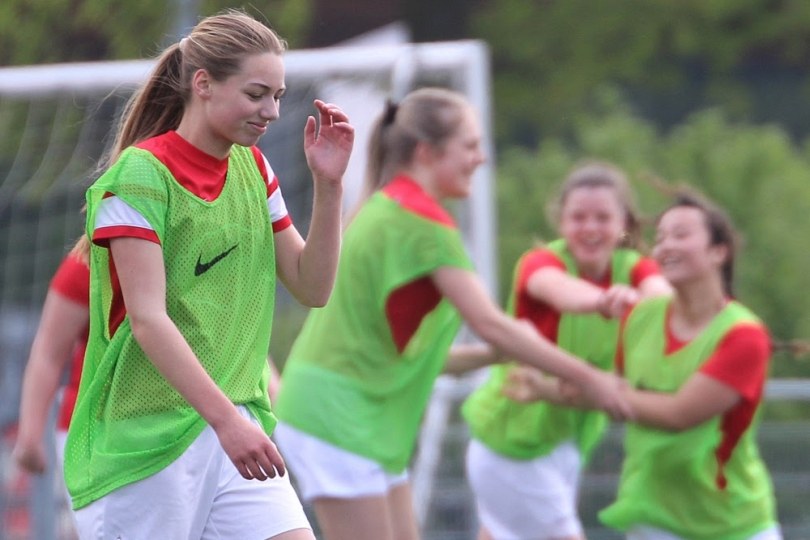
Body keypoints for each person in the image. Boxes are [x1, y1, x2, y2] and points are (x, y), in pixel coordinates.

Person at [271, 88, 632, 540]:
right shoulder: (422, 222)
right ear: (427, 152)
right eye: (471, 146)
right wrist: (592, 379)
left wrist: (493, 355)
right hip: (337, 417)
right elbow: (490, 323)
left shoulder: (391, 205)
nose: (481, 158)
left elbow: (411, 357)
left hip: (355, 418)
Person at [62, 9, 354, 540]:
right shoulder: (140, 176)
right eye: (256, 94)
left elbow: (312, 287)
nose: (271, 111)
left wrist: (329, 186)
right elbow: (148, 320)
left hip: (233, 425)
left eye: (278, 96)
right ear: (203, 84)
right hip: (148, 441)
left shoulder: (255, 169)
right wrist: (226, 423)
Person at [507, 191, 783, 540]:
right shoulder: (640, 318)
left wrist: (601, 386)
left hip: (734, 524)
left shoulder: (744, 335)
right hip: (653, 517)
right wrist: (544, 389)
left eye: (681, 235)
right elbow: (611, 391)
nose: (666, 246)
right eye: (661, 238)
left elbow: (677, 414)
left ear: (719, 251)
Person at [460, 161, 671, 540]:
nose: (590, 228)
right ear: (560, 222)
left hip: (565, 443)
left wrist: (647, 302)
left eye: (602, 217)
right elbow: (560, 291)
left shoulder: (634, 268)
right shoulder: (540, 263)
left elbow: (664, 298)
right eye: (578, 217)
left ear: (623, 222)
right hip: (513, 442)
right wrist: (608, 300)